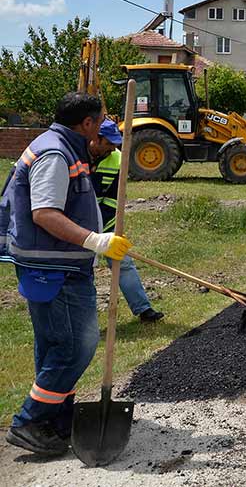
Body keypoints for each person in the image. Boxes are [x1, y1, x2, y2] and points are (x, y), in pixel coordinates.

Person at [0, 93, 132, 455]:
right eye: (100, 119)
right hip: (52, 269)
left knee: (55, 345)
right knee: (76, 347)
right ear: (87, 123)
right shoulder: (55, 153)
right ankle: (29, 421)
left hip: (55, 265)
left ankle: (54, 421)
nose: (104, 125)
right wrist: (95, 241)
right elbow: (44, 213)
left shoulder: (64, 146)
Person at [88, 120, 163, 323]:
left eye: (115, 143)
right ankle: (83, 320)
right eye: (109, 143)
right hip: (76, 226)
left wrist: (105, 235)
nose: (113, 147)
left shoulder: (117, 160)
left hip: (106, 222)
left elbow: (113, 200)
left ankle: (144, 310)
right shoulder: (76, 156)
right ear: (96, 138)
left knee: (123, 263)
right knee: (82, 273)